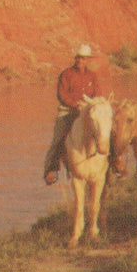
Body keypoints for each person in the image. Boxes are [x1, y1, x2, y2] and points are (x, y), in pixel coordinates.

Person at [43, 44, 101, 185]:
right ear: (75, 58)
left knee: (105, 131)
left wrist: (93, 105)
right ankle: (51, 169)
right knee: (59, 137)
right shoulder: (66, 74)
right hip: (69, 111)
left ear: (87, 60)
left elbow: (98, 94)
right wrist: (76, 105)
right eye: (78, 58)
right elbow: (62, 95)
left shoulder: (92, 76)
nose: (80, 60)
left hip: (87, 111)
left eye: (83, 58)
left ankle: (114, 164)